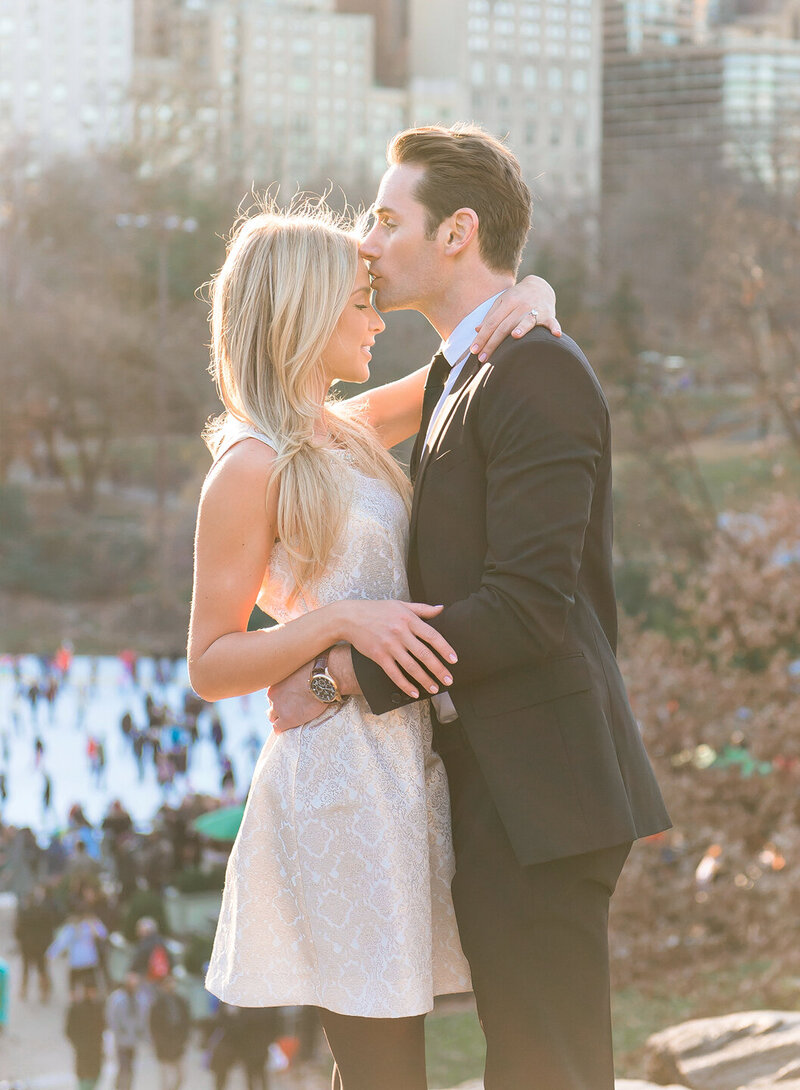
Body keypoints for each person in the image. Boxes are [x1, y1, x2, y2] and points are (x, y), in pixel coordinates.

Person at [266, 124, 672, 1090]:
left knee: (550, 1068)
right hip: (502, 783)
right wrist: (528, 290)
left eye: (383, 218)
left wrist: (340, 675)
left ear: (457, 233)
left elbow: (530, 607)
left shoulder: (533, 368)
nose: (365, 242)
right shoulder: (463, 366)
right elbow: (298, 429)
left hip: (546, 789)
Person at [188, 198, 555, 1090]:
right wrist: (338, 623)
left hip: (407, 763)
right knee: (383, 1064)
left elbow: (464, 361)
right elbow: (207, 663)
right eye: (360, 302)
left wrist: (534, 293)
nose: (376, 316)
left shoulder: (343, 432)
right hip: (337, 783)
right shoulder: (249, 465)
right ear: (305, 315)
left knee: (404, 1052)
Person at [106, 971, 148, 1090]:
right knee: (123, 1068)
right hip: (121, 1041)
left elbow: (144, 1019)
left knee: (131, 1068)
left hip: (133, 1040)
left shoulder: (141, 999)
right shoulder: (117, 999)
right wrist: (118, 1032)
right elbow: (111, 1018)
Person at [148, 974, 191, 1090]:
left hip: (178, 1044)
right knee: (165, 1080)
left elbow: (186, 1021)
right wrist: (159, 1042)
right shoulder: (157, 1003)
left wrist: (183, 1039)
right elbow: (154, 1026)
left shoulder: (180, 1001)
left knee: (181, 1076)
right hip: (164, 1046)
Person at [65, 979, 106, 1090]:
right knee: (84, 1078)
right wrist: (78, 1044)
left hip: (95, 1049)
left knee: (94, 1076)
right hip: (83, 1050)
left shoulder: (98, 1007)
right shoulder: (76, 1008)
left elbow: (103, 1026)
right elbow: (69, 1030)